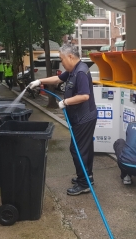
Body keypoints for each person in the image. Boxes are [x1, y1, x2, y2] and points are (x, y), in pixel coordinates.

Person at [29, 44, 97, 196]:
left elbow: (85, 95)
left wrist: (65, 102)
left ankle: (84, 183)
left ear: (70, 57)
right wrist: (40, 81)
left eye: (62, 59)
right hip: (80, 117)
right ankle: (87, 177)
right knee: (85, 148)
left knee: (77, 149)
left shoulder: (80, 72)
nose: (62, 62)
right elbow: (58, 79)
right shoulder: (73, 70)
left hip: (84, 118)